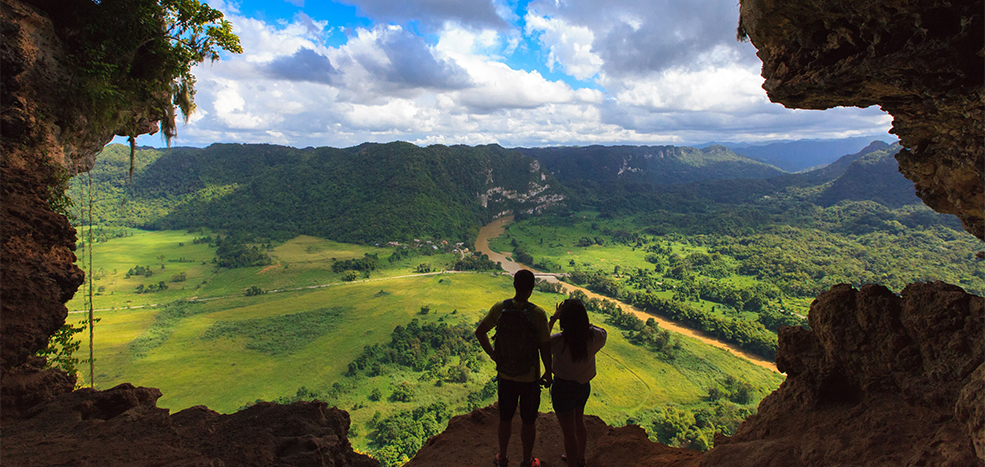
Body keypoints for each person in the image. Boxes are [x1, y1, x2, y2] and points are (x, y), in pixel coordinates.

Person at [475, 269, 552, 467]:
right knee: (528, 421)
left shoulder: (500, 308)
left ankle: (502, 457)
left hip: (506, 374)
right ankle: (527, 461)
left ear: (514, 285)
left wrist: (495, 356)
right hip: (529, 378)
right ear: (531, 289)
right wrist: (548, 373)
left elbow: (480, 332)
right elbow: (545, 348)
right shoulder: (538, 314)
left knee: (505, 418)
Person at [548, 298, 607, 467]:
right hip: (583, 387)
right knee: (578, 422)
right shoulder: (594, 337)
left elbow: (541, 340)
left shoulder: (558, 342)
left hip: (563, 388)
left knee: (568, 433)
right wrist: (586, 325)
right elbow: (602, 331)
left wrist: (553, 318)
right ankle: (580, 458)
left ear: (564, 319)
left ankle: (573, 462)